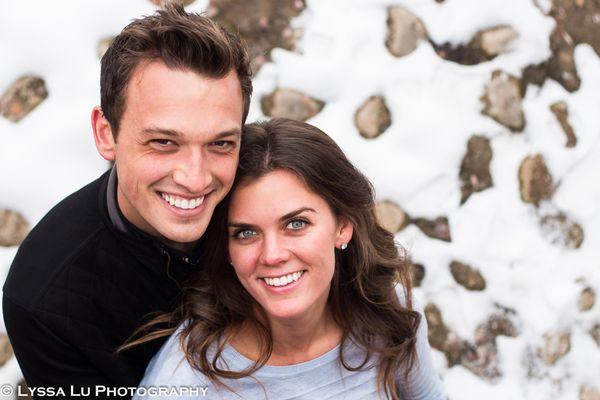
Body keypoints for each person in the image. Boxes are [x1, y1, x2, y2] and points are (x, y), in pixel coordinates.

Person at [2, 4, 252, 397]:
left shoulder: (278, 200)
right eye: (164, 142)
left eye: (220, 143)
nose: (196, 178)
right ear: (106, 134)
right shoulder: (46, 296)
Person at [131, 118, 446, 399]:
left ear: (343, 227)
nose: (273, 255)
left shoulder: (390, 313)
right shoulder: (185, 380)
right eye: (246, 233)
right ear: (226, 249)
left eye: (296, 224)